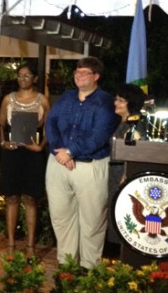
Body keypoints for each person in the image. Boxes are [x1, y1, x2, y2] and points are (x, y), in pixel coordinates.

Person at [45, 56, 120, 270]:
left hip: (89, 166)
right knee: (61, 217)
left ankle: (89, 269)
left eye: (84, 72)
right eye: (77, 71)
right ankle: (67, 266)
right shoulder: (67, 97)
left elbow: (99, 135)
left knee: (92, 221)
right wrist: (60, 152)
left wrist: (70, 152)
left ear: (96, 76)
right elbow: (51, 122)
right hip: (59, 164)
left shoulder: (106, 102)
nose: (78, 75)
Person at [0, 62, 50, 258]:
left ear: (35, 78)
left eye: (27, 75)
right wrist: (3, 142)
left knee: (30, 199)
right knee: (11, 198)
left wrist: (41, 146)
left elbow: (50, 128)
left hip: (33, 152)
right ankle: (11, 245)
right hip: (12, 151)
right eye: (20, 75)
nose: (23, 79)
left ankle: (30, 246)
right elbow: (1, 123)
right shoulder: (8, 99)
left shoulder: (42, 100)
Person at [107, 83, 147, 248]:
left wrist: (126, 178)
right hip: (114, 175)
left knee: (123, 217)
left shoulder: (133, 126)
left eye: (121, 100)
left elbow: (134, 156)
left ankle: (120, 256)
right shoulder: (123, 123)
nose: (116, 103)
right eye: (116, 99)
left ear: (131, 103)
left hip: (122, 177)